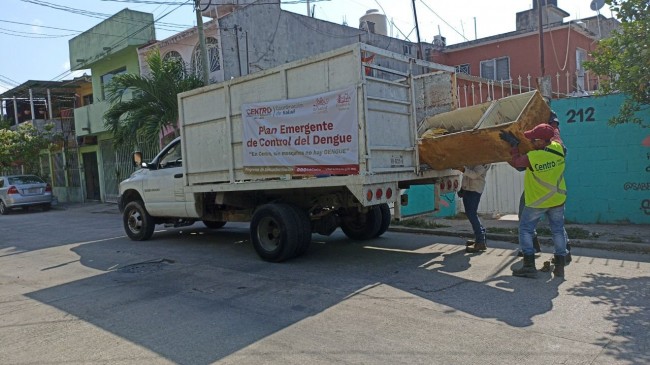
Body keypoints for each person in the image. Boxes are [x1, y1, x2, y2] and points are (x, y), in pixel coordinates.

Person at [500, 124, 568, 278]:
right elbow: (556, 135)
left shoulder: (535, 157)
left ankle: (529, 265)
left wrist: (514, 146)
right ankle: (560, 266)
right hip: (557, 200)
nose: (530, 142)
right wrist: (553, 123)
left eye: (533, 139)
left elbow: (517, 162)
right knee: (558, 230)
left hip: (538, 201)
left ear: (542, 141)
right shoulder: (558, 148)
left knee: (525, 230)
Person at [458, 164, 491, 253]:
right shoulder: (475, 156)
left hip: (474, 190)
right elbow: (467, 175)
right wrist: (462, 188)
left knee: (471, 214)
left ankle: (480, 241)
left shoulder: (485, 159)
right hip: (468, 189)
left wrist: (462, 168)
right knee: (471, 214)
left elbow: (474, 175)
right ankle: (480, 239)